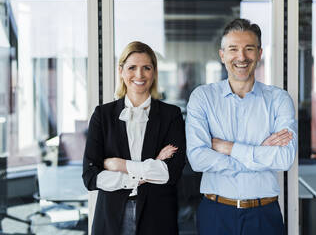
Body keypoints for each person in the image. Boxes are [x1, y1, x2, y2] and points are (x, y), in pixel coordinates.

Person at [186, 18, 297, 234]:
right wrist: (258, 156)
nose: (241, 57)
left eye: (249, 49)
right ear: (222, 55)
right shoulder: (203, 97)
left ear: (259, 53)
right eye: (233, 49)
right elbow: (198, 159)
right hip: (216, 213)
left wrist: (227, 147)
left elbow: (284, 159)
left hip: (264, 214)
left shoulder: (279, 99)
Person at [82, 41, 186, 235]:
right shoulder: (102, 115)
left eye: (146, 68)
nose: (139, 75)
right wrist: (152, 166)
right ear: (120, 71)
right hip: (111, 217)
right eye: (132, 68)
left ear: (154, 72)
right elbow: (90, 177)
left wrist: (119, 165)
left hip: (158, 216)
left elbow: (171, 174)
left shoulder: (171, 115)